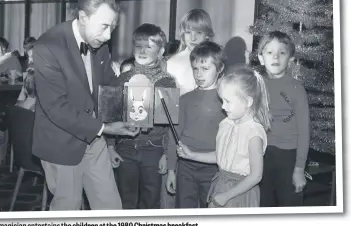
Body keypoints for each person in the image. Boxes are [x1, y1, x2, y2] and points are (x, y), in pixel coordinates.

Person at [32, 0, 139, 211]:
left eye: (113, 27)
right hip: (61, 140)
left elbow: (107, 83)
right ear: (82, 17)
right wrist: (106, 128)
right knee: (68, 208)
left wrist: (136, 85)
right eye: (104, 26)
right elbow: (56, 108)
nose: (109, 35)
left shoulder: (99, 43)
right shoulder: (47, 46)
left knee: (111, 207)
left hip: (94, 138)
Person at [178, 65, 271, 207]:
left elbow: (256, 175)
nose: (223, 107)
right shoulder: (226, 124)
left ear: (248, 102)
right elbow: (221, 156)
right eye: (222, 101)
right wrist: (192, 155)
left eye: (228, 101)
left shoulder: (254, 134)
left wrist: (227, 196)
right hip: (221, 184)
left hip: (240, 192)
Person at [106, 23, 176, 209]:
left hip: (153, 149)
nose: (142, 50)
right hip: (125, 148)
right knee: (125, 199)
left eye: (149, 46)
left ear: (160, 51)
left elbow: (171, 125)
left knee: (150, 200)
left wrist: (166, 156)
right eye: (138, 46)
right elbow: (111, 116)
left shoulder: (167, 82)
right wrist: (110, 147)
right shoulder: (122, 79)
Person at [166, 41, 226, 208]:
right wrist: (171, 170)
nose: (199, 74)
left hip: (214, 168)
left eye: (205, 69)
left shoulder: (227, 100)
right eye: (195, 69)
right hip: (185, 167)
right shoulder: (184, 99)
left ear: (220, 68)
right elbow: (174, 136)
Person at [257, 31, 310, 207]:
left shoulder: (296, 88)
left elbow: (304, 130)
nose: (276, 57)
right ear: (261, 58)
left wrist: (299, 168)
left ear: (291, 59)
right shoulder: (256, 85)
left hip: (289, 157)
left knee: (289, 207)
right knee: (263, 206)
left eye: (282, 52)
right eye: (270, 52)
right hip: (261, 154)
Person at [166, 9, 214, 96]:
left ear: (207, 35)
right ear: (183, 34)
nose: (193, 38)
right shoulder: (172, 63)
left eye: (198, 33)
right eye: (188, 32)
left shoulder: (216, 61)